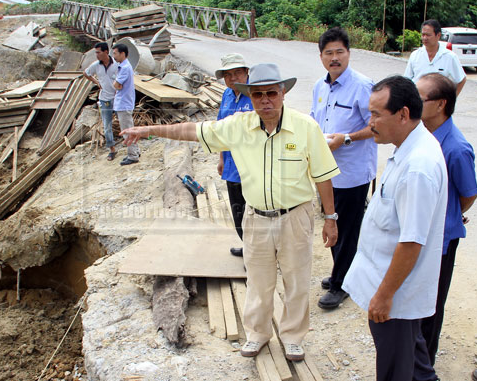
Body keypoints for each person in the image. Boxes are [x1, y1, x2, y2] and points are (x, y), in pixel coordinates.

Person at [120, 63, 340, 361]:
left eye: (271, 93)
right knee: (259, 283)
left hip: (295, 217)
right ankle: (258, 334)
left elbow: (323, 175)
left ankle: (292, 337)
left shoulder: (306, 128)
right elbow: (191, 130)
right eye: (258, 94)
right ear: (250, 96)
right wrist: (149, 130)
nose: (265, 100)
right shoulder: (238, 126)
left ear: (283, 93)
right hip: (257, 218)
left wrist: (330, 218)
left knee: (297, 282)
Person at [343, 76, 448, 381]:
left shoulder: (418, 166)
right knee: (415, 365)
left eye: (376, 114)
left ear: (403, 114)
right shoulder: (407, 147)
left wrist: (384, 296)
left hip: (396, 297)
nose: (370, 121)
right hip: (393, 289)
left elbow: (412, 242)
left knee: (394, 371)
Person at [310, 27, 376, 309]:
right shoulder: (319, 87)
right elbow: (314, 122)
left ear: (349, 53)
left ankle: (341, 285)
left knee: (347, 229)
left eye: (339, 52)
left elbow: (376, 126)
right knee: (332, 224)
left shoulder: (363, 86)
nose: (334, 58)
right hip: (327, 173)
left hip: (353, 172)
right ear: (321, 56)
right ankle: (344, 272)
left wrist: (346, 138)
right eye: (329, 53)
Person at [416, 73, 477, 365]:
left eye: (420, 97)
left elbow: (468, 194)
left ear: (440, 104)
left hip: (440, 241)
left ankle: (425, 365)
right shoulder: (420, 133)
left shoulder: (455, 147)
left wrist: (451, 214)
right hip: (417, 236)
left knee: (431, 305)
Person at [214, 53, 253, 257]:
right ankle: (247, 247)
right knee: (238, 212)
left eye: (237, 72)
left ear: (247, 72)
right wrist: (221, 158)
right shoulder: (227, 95)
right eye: (228, 74)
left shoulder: (256, 95)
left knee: (254, 215)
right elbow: (221, 130)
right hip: (231, 166)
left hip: (252, 169)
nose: (233, 78)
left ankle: (257, 255)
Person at [404, 19, 466, 96]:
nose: (425, 38)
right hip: (418, 101)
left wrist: (451, 101)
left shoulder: (449, 57)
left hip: (438, 103)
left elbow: (461, 79)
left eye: (428, 35)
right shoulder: (415, 55)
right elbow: (407, 80)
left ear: (438, 35)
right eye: (423, 35)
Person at [84, 42, 119, 161]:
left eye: (98, 52)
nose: (96, 55)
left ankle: (131, 146)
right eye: (95, 52)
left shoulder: (117, 64)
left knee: (125, 121)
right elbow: (86, 73)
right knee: (107, 125)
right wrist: (96, 82)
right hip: (105, 99)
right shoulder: (96, 65)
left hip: (118, 98)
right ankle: (112, 149)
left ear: (105, 52)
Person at [112, 43, 140, 166]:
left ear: (122, 54)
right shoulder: (124, 66)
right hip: (124, 102)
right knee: (130, 129)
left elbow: (116, 85)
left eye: (115, 53)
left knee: (127, 131)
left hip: (123, 103)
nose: (114, 56)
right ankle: (136, 151)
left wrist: (117, 85)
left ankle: (133, 156)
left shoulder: (124, 68)